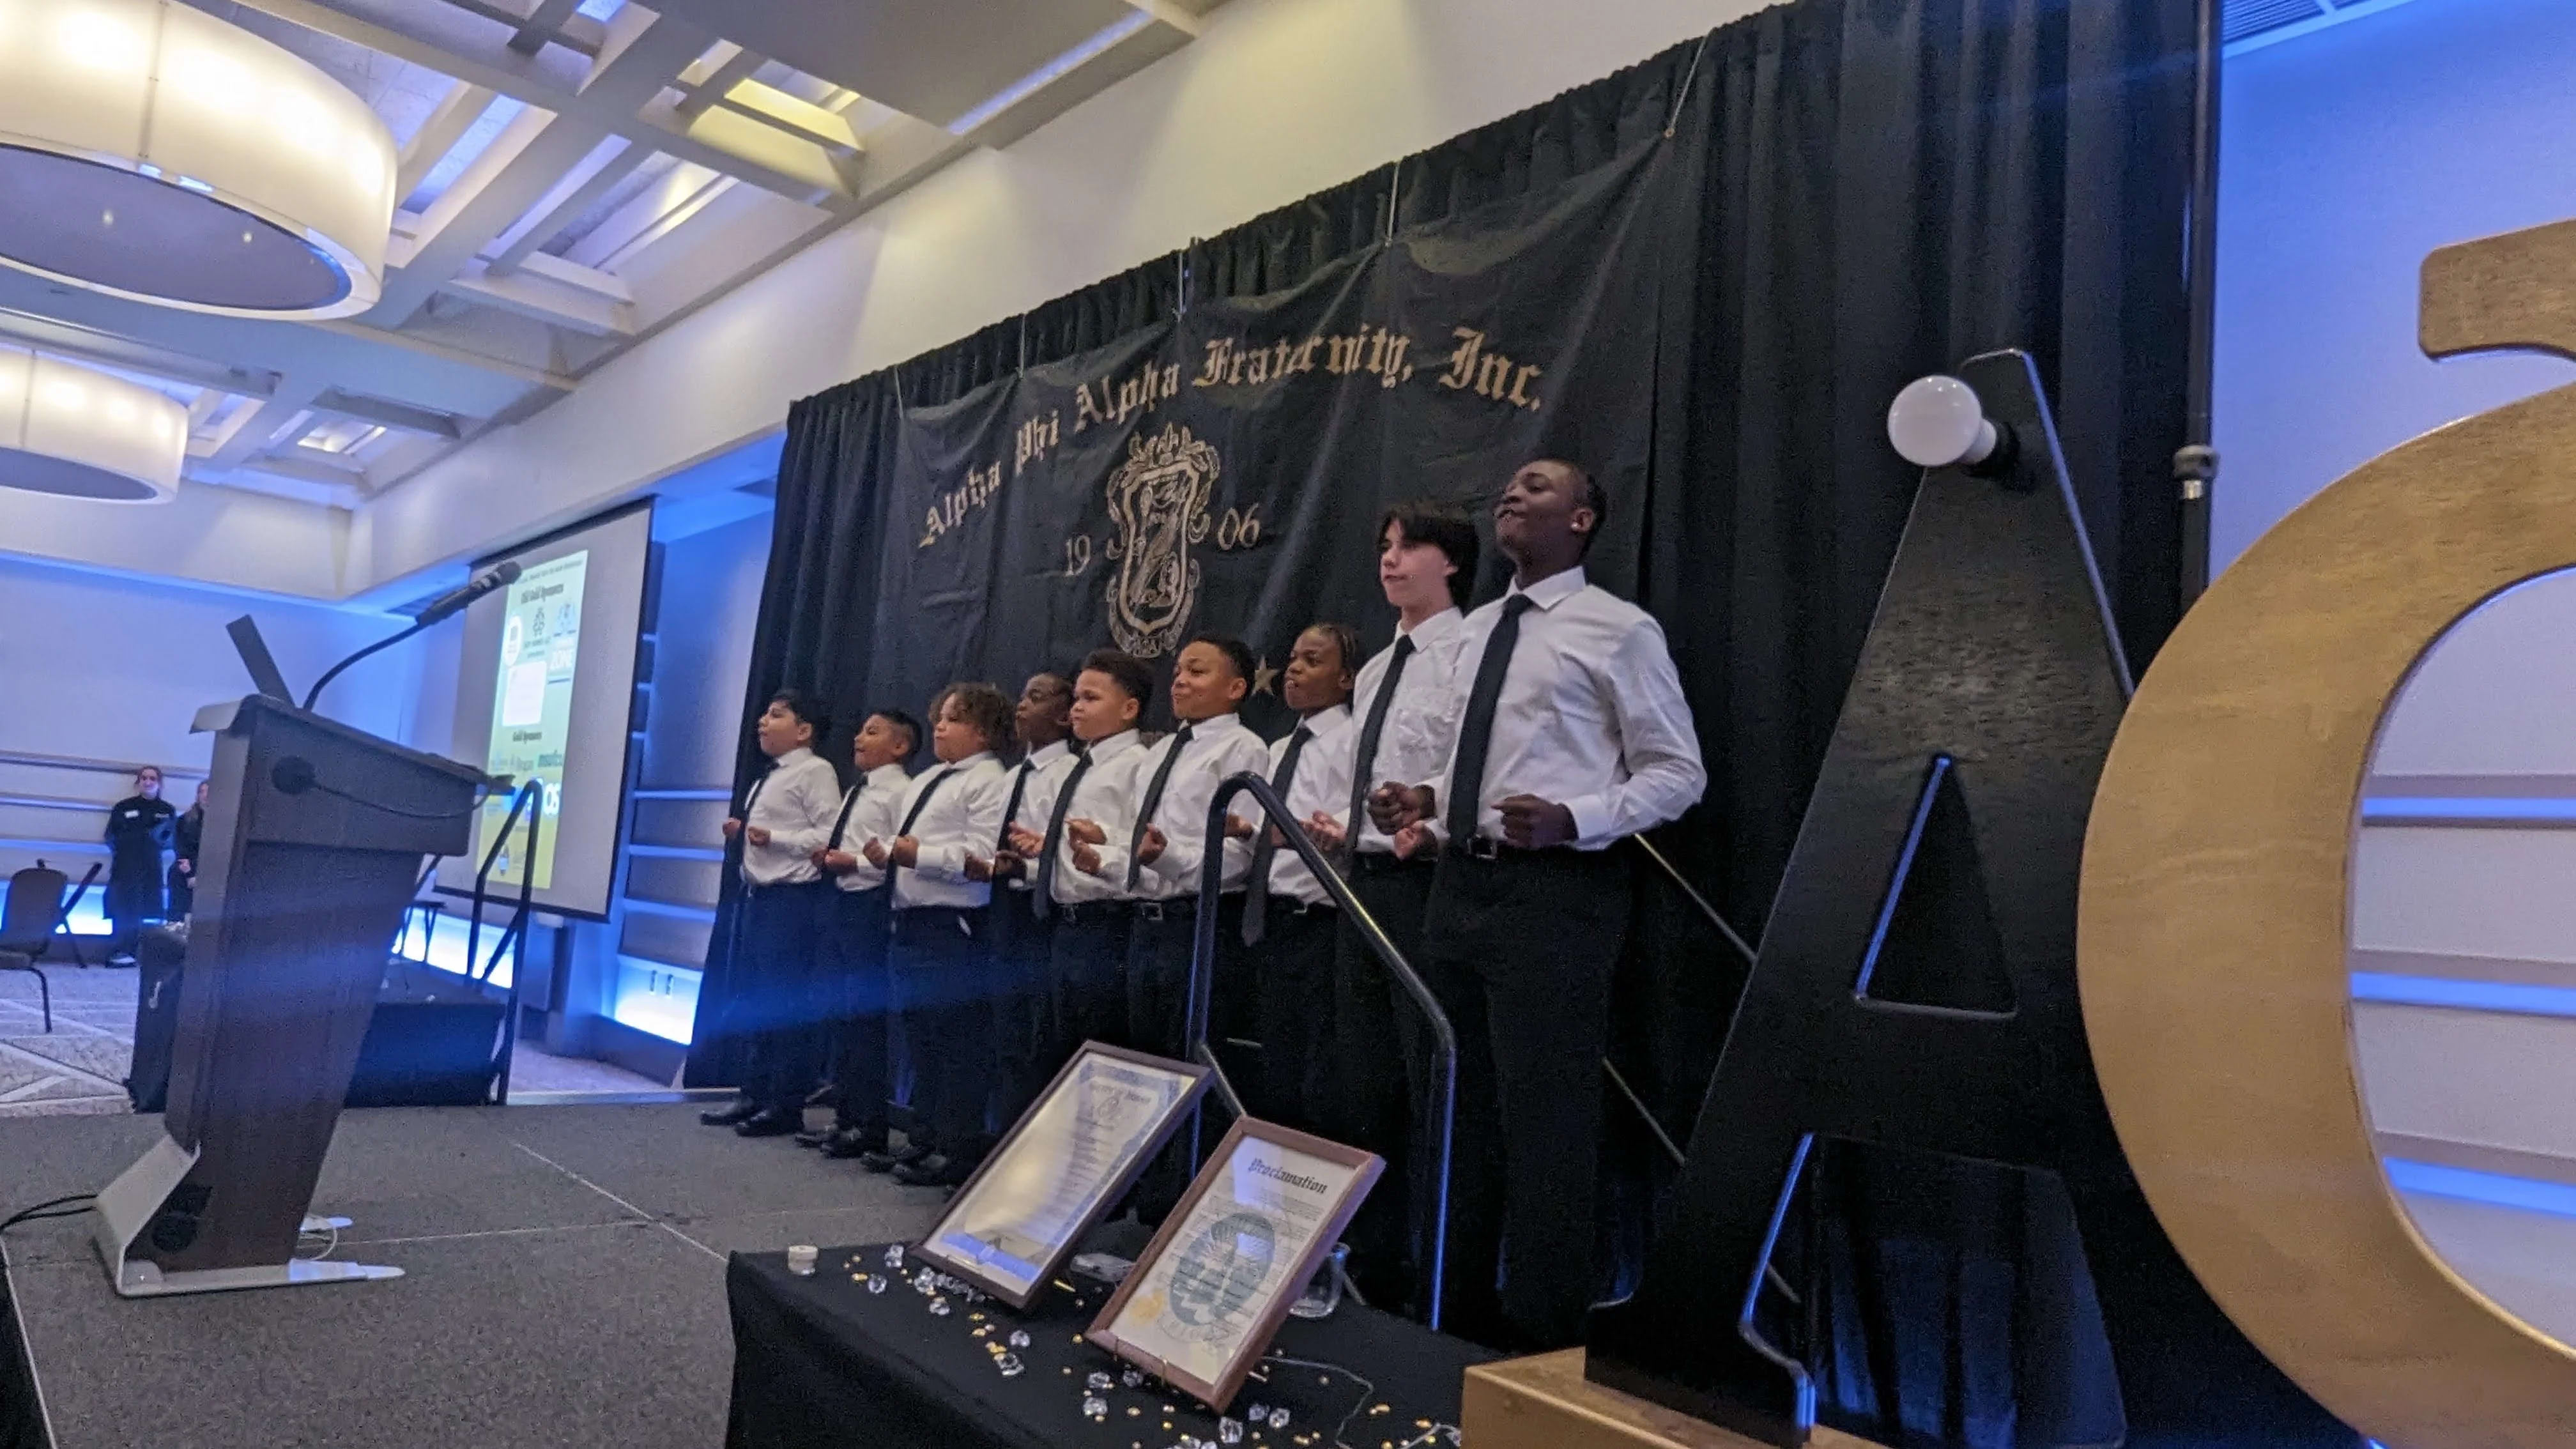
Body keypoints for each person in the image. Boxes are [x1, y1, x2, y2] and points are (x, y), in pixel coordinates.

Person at [1370, 458, 1705, 1349]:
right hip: (1458, 888)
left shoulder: (1618, 630)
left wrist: (1577, 818)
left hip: (1557, 895)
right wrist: (1426, 801)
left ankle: (1542, 1337)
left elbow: (1679, 773)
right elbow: (1479, 759)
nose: (1512, 494)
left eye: (1538, 486)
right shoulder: (1478, 629)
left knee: (1545, 1121)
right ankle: (1449, 1316)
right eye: (1509, 485)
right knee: (1456, 1111)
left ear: (1583, 520)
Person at [1309, 502, 1478, 1310]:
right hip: (1363, 882)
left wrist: (1431, 824)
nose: (1390, 560)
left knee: (1426, 1078)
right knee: (1365, 1078)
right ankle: (1371, 1260)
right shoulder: (1378, 667)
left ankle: (1435, 1271)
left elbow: (1474, 763)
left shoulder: (1473, 650)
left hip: (1428, 882)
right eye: (1384, 546)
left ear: (1453, 563)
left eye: (1410, 547)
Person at [1080, 635, 1269, 1068]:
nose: (1180, 681)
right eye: (1179, 671)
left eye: (1197, 672)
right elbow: (1143, 837)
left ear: (1236, 688)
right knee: (1144, 1062)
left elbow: (1239, 858)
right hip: (1146, 925)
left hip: (1199, 924)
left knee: (1189, 1061)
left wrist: (1163, 858)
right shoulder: (1163, 750)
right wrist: (1105, 855)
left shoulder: (1244, 747)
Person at [866, 683, 1014, 1188]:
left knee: (956, 1045)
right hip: (911, 921)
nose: (940, 728)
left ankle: (957, 1149)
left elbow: (981, 856)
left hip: (952, 925)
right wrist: (888, 850)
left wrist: (918, 855)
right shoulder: (930, 778)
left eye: (954, 719)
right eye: (939, 718)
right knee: (921, 1040)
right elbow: (911, 840)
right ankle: (923, 1136)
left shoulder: (989, 780)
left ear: (984, 732)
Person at [701, 691, 844, 1137]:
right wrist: (744, 833)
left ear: (804, 730)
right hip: (758, 899)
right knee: (755, 999)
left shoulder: (816, 771)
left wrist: (773, 838)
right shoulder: (770, 775)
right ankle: (753, 1094)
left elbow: (829, 835)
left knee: (783, 1002)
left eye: (777, 715)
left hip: (792, 902)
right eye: (764, 714)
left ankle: (784, 1104)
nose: (763, 721)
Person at [1239, 622, 1356, 1128]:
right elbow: (1270, 835)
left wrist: (1316, 833)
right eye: (1291, 659)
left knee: (1321, 1064)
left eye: (1312, 660)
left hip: (1324, 919)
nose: (1294, 669)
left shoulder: (1355, 739)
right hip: (1274, 918)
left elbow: (1352, 823)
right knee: (1277, 1062)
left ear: (1347, 678)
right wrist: (1248, 831)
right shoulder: (1281, 747)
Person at [1007, 650, 1153, 1057]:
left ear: (1129, 709)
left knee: (1101, 1048)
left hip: (1109, 922)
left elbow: (1144, 842)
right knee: (1064, 1051)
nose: (1077, 708)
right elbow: (1075, 843)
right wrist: (1047, 849)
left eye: (1091, 698)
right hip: (1066, 923)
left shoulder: (1138, 765)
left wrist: (1100, 851)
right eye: (1076, 699)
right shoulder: (1082, 766)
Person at [795, 710, 917, 1159]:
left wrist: (857, 863)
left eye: (873, 731)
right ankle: (845, 1117)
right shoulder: (858, 789)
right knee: (843, 1015)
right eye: (861, 730)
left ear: (901, 746)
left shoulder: (902, 792)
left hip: (873, 908)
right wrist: (830, 856)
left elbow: (900, 853)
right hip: (843, 903)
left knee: (865, 1020)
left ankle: (869, 1126)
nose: (860, 738)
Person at [967, 672, 1080, 1131]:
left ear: (1065, 715)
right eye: (1022, 696)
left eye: (1036, 697)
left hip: (1040, 911)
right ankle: (994, 1141)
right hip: (1000, 908)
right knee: (998, 1032)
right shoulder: (1015, 775)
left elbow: (1066, 849)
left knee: (1030, 1038)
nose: (1021, 706)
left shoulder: (1069, 772)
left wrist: (1026, 868)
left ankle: (1023, 1142)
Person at [103, 766, 176, 965]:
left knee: (148, 911)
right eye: (144, 778)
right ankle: (120, 952)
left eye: (152, 778)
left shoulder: (167, 811)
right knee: (123, 910)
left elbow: (169, 840)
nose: (148, 782)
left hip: (151, 869)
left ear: (159, 783)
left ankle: (142, 955)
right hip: (125, 868)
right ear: (138, 782)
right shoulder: (123, 807)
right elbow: (111, 837)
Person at [167, 779, 210, 921]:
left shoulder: (226, 822)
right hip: (185, 869)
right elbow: (180, 847)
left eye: (209, 791)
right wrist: (190, 873)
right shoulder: (184, 820)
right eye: (202, 791)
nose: (205, 795)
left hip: (211, 872)